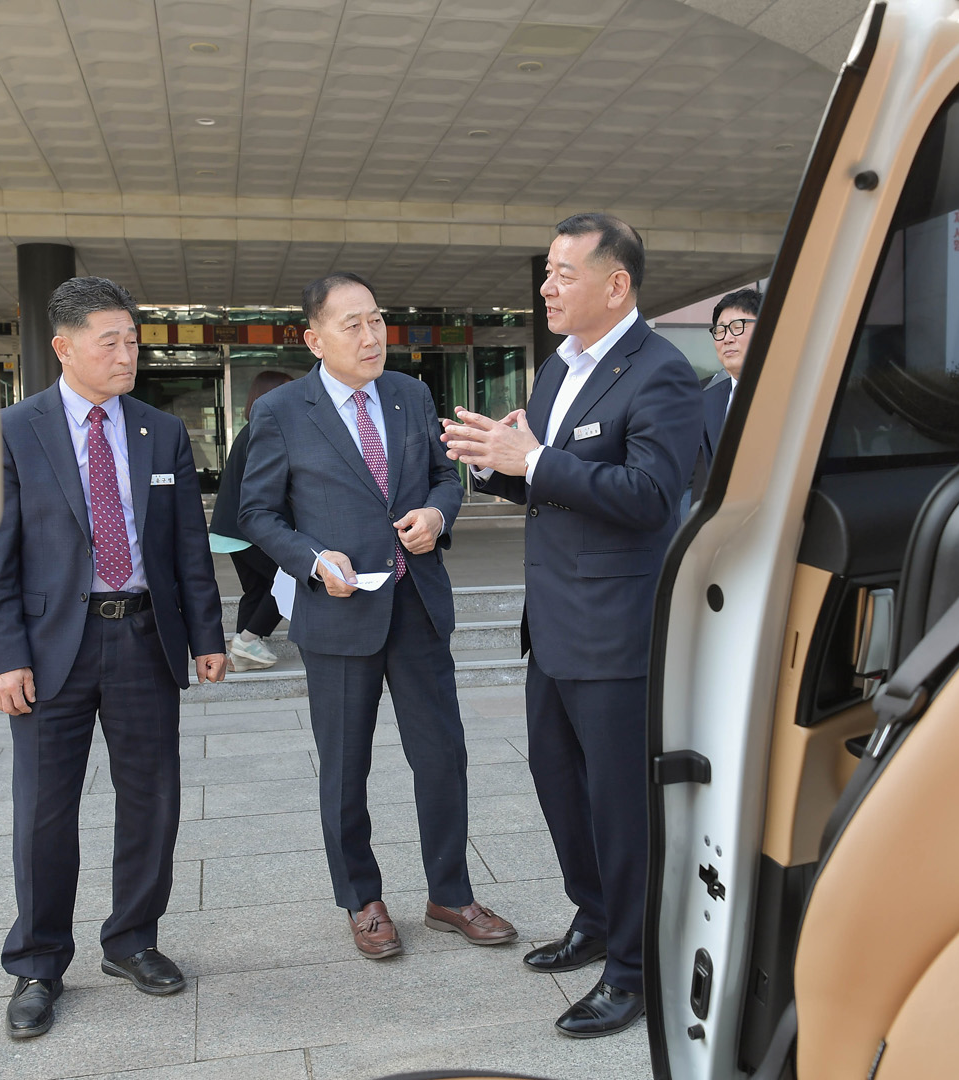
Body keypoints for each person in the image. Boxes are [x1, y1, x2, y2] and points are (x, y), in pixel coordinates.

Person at [440, 214, 703, 1038]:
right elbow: (551, 482)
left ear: (616, 285)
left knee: (621, 810)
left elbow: (650, 496)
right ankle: (594, 917)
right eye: (547, 273)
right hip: (552, 624)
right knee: (562, 790)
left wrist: (536, 461)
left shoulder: (661, 372)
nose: (546, 288)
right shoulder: (561, 366)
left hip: (616, 632)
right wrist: (498, 464)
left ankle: (633, 970)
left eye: (563, 274)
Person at [0, 277, 227, 1040]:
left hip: (143, 637)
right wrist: (3, 656)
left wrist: (207, 636)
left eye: (132, 341)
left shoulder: (160, 430)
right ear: (64, 347)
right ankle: (37, 963)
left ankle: (133, 941)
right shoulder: (14, 430)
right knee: (43, 812)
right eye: (109, 342)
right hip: (51, 647)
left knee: (152, 798)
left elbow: (187, 543)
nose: (126, 355)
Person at [237, 272, 516, 958]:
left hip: (416, 605)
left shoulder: (409, 393)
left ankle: (451, 894)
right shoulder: (282, 411)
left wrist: (436, 515)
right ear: (314, 339)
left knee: (442, 757)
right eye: (351, 325)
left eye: (376, 321)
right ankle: (362, 900)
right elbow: (257, 514)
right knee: (344, 768)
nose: (371, 336)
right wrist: (311, 559)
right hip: (338, 615)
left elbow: (445, 478)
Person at [210, 369, 296, 671]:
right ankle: (248, 639)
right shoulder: (267, 431)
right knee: (293, 579)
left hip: (231, 528)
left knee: (258, 589)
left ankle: (239, 655)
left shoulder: (253, 428)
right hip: (248, 529)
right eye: (287, 391)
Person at [692, 285, 761, 497]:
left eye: (737, 326)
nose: (727, 339)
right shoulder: (707, 399)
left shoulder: (794, 393)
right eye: (720, 330)